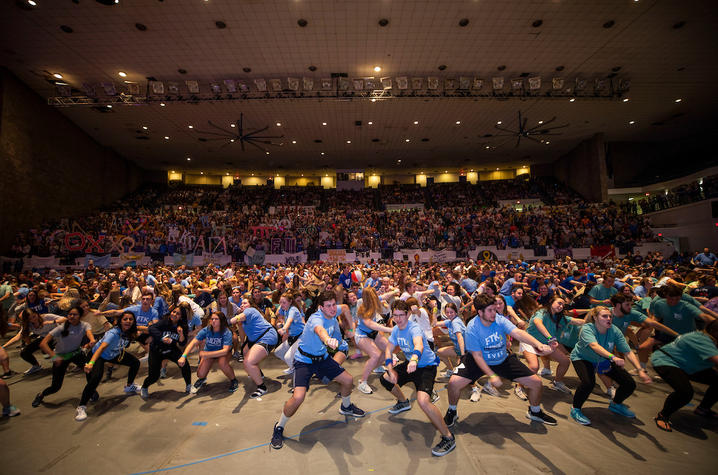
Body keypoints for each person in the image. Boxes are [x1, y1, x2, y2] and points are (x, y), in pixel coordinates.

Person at [444, 294, 558, 428]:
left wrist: (538, 344)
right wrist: (492, 375)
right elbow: (478, 356)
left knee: (536, 383)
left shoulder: (499, 319)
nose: (494, 313)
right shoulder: (472, 328)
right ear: (480, 312)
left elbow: (518, 333)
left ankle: (535, 411)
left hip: (502, 359)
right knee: (453, 383)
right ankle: (452, 410)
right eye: (490, 310)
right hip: (478, 361)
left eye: (495, 309)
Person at [270, 290, 365, 450]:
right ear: (321, 308)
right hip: (304, 361)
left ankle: (346, 407)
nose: (333, 309)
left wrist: (352, 329)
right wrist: (328, 340)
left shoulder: (336, 309)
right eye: (328, 306)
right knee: (298, 397)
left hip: (322, 358)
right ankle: (279, 427)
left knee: (348, 380)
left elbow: (347, 309)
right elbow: (320, 331)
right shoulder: (316, 319)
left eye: (334, 304)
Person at [380, 300, 456, 457]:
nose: (399, 319)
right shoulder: (395, 329)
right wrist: (390, 369)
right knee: (385, 378)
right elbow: (388, 349)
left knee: (423, 401)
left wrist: (414, 359)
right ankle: (403, 402)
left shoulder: (414, 328)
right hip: (410, 365)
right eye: (395, 315)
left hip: (426, 367)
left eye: (402, 315)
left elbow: (418, 345)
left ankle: (448, 437)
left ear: (408, 314)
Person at [569, 307, 652, 425]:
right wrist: (613, 357)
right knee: (588, 383)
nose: (609, 318)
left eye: (610, 316)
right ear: (595, 318)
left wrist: (640, 370)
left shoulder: (614, 330)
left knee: (629, 383)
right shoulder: (587, 328)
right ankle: (575, 409)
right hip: (583, 358)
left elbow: (628, 351)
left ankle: (616, 404)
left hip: (603, 359)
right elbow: (594, 346)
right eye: (604, 316)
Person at [651, 320, 718, 431]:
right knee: (685, 392)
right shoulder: (703, 339)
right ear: (715, 332)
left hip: (687, 365)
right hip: (666, 361)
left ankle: (703, 408)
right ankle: (663, 415)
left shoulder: (712, 339)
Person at [75, 311, 141, 421]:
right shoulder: (113, 333)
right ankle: (81, 407)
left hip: (114, 354)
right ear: (120, 321)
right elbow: (101, 348)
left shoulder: (130, 331)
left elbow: (144, 329)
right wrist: (91, 363)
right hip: (99, 355)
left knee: (135, 362)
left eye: (131, 319)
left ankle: (129, 385)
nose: (128, 321)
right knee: (95, 378)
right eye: (125, 319)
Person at [31, 304, 96, 407]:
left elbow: (89, 333)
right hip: (61, 356)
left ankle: (91, 390)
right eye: (70, 314)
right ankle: (41, 395)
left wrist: (92, 340)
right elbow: (43, 344)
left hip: (76, 353)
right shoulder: (61, 328)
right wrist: (54, 356)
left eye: (75, 314)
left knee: (89, 369)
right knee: (55, 387)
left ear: (80, 316)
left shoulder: (85, 325)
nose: (71, 316)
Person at [524, 296, 585, 394]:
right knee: (534, 367)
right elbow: (537, 322)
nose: (561, 306)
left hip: (545, 344)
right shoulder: (542, 312)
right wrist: (550, 338)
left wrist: (594, 322)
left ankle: (558, 382)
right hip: (531, 342)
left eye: (563, 305)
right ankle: (519, 386)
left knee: (565, 361)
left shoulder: (558, 316)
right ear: (551, 302)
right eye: (559, 303)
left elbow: (575, 321)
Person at [229, 300, 279, 398]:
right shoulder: (244, 317)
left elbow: (239, 317)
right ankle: (259, 374)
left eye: (245, 303)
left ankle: (262, 387)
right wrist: (243, 343)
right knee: (245, 351)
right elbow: (242, 331)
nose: (242, 305)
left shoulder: (250, 310)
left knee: (248, 362)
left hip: (267, 337)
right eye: (241, 304)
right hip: (256, 339)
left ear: (250, 305)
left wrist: (232, 319)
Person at [140, 305, 192, 398]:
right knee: (154, 376)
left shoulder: (183, 326)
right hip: (156, 350)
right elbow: (151, 328)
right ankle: (144, 387)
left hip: (171, 349)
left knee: (184, 364)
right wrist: (162, 337)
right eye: (174, 312)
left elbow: (182, 343)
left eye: (178, 313)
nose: (174, 314)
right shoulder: (164, 321)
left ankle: (189, 385)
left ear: (181, 316)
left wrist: (181, 334)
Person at [179, 311, 237, 394]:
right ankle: (203, 379)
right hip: (209, 351)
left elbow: (225, 351)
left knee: (222, 363)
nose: (213, 321)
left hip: (222, 353)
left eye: (216, 319)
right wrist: (183, 356)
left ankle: (233, 380)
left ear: (221, 320)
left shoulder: (226, 331)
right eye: (212, 319)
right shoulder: (206, 329)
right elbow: (193, 343)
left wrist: (206, 354)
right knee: (200, 374)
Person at [354, 287, 393, 394]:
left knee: (388, 349)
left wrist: (394, 291)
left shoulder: (375, 300)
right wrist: (390, 329)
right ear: (368, 299)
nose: (376, 299)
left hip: (373, 333)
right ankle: (362, 382)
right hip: (362, 335)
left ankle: (376, 367)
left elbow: (385, 296)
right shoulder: (362, 310)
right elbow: (372, 325)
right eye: (374, 297)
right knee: (375, 354)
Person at [2, 308, 61, 374]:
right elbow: (18, 337)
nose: (33, 320)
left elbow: (65, 319)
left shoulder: (47, 317)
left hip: (57, 337)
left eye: (34, 316)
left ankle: (61, 361)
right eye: (30, 319)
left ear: (37, 314)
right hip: (44, 339)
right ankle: (36, 366)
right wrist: (3, 347)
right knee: (24, 352)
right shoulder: (28, 325)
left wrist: (53, 322)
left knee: (48, 354)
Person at [433, 302, 466, 379]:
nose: (449, 314)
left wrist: (462, 355)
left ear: (456, 312)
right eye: (447, 312)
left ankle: (474, 388)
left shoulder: (455, 322)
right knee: (440, 352)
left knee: (462, 373)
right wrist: (434, 310)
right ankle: (451, 371)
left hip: (465, 350)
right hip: (457, 349)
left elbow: (460, 337)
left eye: (451, 312)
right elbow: (434, 324)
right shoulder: (450, 321)